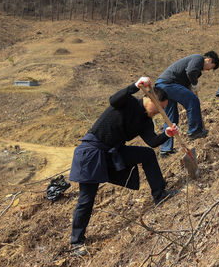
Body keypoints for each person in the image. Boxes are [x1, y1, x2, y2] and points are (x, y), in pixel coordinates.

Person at [69, 77, 180, 255]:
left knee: (148, 155)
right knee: (86, 198)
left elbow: (152, 142)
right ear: (150, 99)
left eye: (164, 109)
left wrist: (166, 134)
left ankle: (160, 195)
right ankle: (76, 242)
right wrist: (134, 86)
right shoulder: (127, 102)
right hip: (92, 152)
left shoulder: (145, 121)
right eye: (160, 107)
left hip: (114, 152)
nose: (161, 112)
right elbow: (113, 99)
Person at [156, 51, 219, 155]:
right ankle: (194, 131)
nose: (208, 70)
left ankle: (165, 149)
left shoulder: (197, 70)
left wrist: (191, 87)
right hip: (168, 84)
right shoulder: (198, 58)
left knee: (171, 118)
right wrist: (194, 84)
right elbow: (190, 71)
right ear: (209, 60)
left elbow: (186, 82)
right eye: (211, 67)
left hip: (162, 85)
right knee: (193, 100)